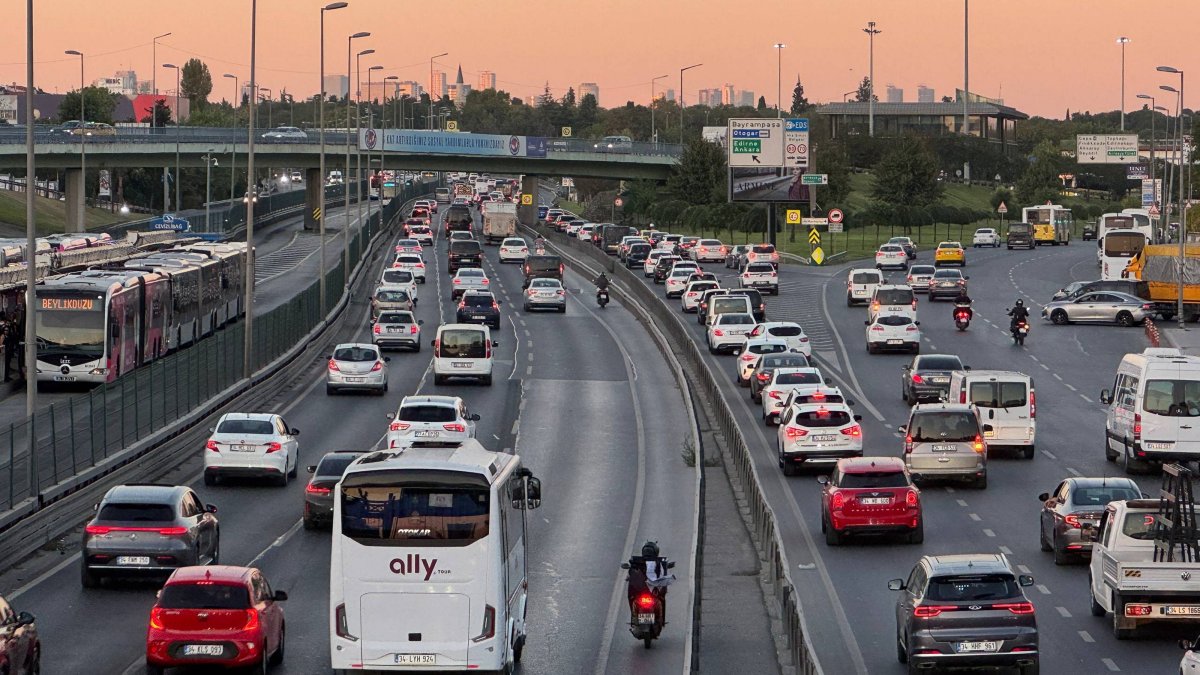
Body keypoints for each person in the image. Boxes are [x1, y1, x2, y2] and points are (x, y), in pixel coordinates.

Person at [625, 541, 675, 622]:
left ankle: (635, 617)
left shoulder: (636, 561)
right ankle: (636, 617)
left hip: (646, 592)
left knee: (632, 597)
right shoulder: (660, 562)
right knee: (661, 597)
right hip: (647, 592)